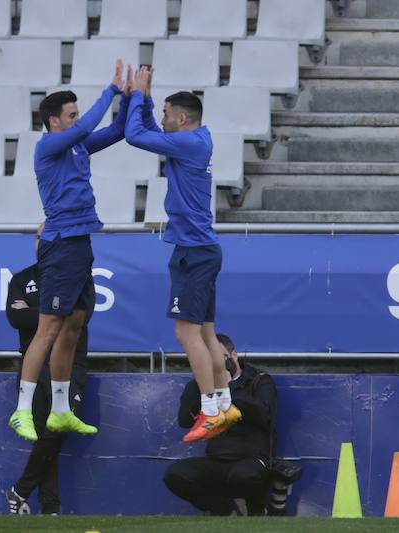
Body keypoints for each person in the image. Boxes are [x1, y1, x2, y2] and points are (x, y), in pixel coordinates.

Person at [8, 60, 131, 442]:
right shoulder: (49, 146)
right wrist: (110, 91)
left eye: (78, 114)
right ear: (54, 122)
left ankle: (60, 410)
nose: (77, 120)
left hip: (80, 245)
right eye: (71, 115)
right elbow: (90, 126)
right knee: (46, 331)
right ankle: (22, 410)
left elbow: (118, 131)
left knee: (73, 327)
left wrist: (128, 99)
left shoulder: (75, 146)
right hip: (60, 247)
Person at [125, 66, 240, 443]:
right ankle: (225, 403)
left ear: (182, 118)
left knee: (185, 331)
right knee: (205, 330)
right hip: (202, 249)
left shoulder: (188, 144)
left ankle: (209, 410)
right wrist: (144, 103)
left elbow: (134, 136)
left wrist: (138, 97)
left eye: (166, 113)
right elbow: (149, 133)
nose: (163, 119)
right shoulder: (196, 138)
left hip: (193, 251)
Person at [5, 223, 90, 516]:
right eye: (41, 237)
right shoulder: (22, 278)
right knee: (45, 432)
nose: (44, 242)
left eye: (51, 237)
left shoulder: (78, 275)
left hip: (70, 364)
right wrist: (54, 312)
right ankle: (51, 508)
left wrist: (38, 312)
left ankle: (20, 490)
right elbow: (15, 318)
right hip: (33, 365)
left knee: (57, 430)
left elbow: (79, 317)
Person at [163, 334, 277, 516]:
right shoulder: (204, 385)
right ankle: (221, 510)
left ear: (234, 355)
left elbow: (264, 416)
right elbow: (184, 421)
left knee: (244, 476)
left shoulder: (259, 381)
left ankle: (256, 508)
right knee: (175, 474)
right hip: (216, 459)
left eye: (219, 359)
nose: (215, 365)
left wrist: (227, 387)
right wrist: (198, 384)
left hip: (251, 458)